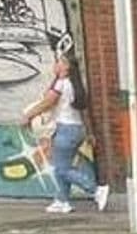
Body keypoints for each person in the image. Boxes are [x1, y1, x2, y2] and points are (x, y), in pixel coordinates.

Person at [22, 47, 109, 215]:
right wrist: (90, 133)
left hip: (65, 130)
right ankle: (62, 201)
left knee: (61, 169)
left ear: (67, 67)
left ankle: (95, 190)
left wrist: (28, 115)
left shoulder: (62, 84)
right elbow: (83, 112)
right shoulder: (76, 86)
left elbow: (47, 103)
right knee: (64, 166)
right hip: (77, 130)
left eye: (59, 62)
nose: (56, 64)